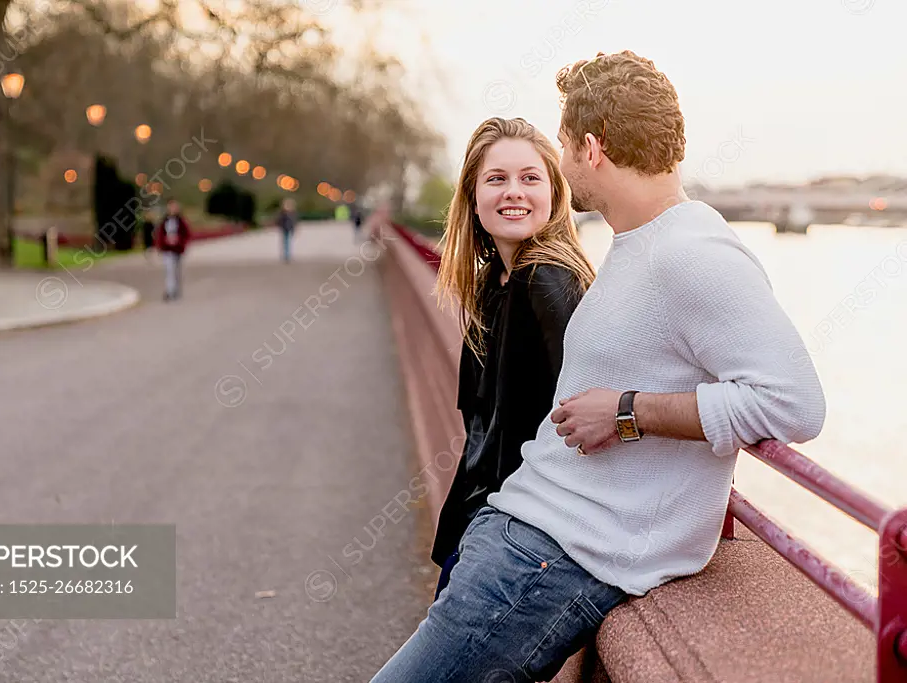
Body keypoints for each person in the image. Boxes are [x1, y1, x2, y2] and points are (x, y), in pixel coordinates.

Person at [370, 50, 826, 683]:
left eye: (558, 146)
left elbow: (793, 403)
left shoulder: (696, 254)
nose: (556, 165)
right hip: (520, 538)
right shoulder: (636, 245)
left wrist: (628, 411)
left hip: (548, 561)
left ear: (591, 147)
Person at [429, 117, 597, 602]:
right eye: (496, 179)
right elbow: (483, 432)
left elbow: (577, 419)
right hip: (482, 521)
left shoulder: (546, 280)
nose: (513, 192)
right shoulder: (492, 284)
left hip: (519, 535)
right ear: (473, 195)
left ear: (553, 192)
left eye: (530, 178)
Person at [153, 198, 191, 301]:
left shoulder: (181, 221)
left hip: (177, 250)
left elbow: (186, 234)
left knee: (176, 271)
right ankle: (170, 291)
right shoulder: (164, 221)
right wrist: (162, 244)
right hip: (167, 249)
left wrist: (179, 241)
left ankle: (176, 290)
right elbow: (159, 235)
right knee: (169, 271)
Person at [277, 198, 298, 263]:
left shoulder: (292, 213)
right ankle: (286, 256)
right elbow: (279, 221)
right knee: (286, 242)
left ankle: (287, 255)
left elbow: (294, 222)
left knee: (287, 242)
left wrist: (294, 228)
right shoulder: (283, 213)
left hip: (289, 229)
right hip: (284, 229)